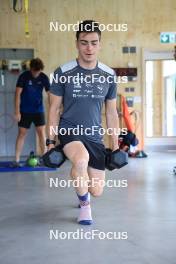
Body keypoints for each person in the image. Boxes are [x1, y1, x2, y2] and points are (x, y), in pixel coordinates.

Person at [47, 20, 119, 225]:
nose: (89, 48)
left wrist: (115, 144)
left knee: (96, 190)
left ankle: (80, 180)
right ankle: (85, 208)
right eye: (84, 42)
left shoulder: (108, 75)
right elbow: (53, 108)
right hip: (70, 130)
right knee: (80, 160)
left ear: (100, 44)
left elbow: (112, 113)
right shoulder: (63, 72)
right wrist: (50, 141)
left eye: (94, 43)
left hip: (94, 136)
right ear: (77, 43)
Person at [12, 58, 50, 167]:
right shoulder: (23, 76)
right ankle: (17, 160)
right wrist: (17, 111)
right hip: (25, 111)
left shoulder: (43, 77)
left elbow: (50, 94)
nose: (36, 73)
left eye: (38, 71)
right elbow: (17, 94)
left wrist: (55, 109)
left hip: (38, 111)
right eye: (34, 71)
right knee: (21, 134)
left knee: (41, 134)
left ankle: (45, 159)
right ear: (31, 68)